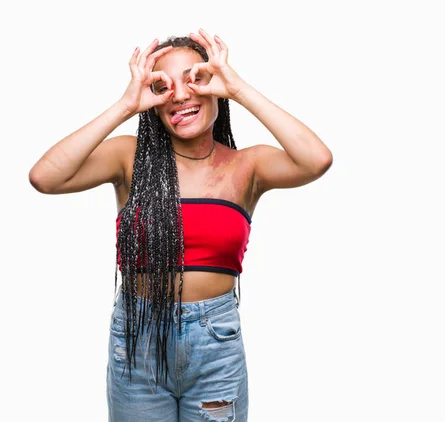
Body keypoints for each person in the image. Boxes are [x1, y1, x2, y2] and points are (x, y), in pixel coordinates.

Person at [29, 28, 332, 422]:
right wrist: (125, 105)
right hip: (137, 340)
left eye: (195, 79)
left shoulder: (247, 166)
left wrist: (237, 87)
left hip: (215, 344)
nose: (181, 95)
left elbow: (316, 159)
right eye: (163, 85)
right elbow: (45, 177)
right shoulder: (129, 157)